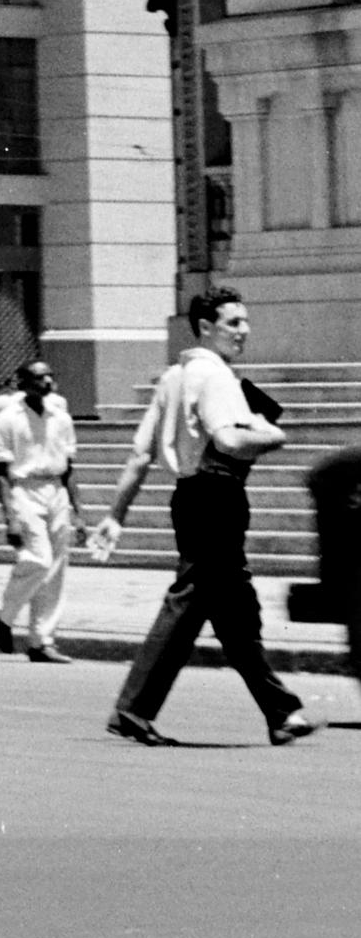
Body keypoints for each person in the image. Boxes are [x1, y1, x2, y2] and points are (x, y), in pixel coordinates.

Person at [96, 290, 312, 749]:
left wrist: (116, 514)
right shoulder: (214, 377)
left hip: (189, 498)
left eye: (245, 321)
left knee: (232, 611)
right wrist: (273, 435)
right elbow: (231, 441)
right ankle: (132, 708)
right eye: (233, 322)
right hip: (217, 496)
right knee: (192, 598)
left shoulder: (173, 377)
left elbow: (139, 454)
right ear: (205, 327)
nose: (243, 330)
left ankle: (280, 712)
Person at [0, 357, 81, 661]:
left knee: (55, 569)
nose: (47, 382)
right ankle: (5, 617)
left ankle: (41, 641)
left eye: (50, 376)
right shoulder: (9, 417)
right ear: (23, 383)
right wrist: (9, 516)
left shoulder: (61, 417)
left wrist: (78, 509)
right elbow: (1, 469)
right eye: (39, 378)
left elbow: (69, 467)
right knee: (38, 559)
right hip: (24, 489)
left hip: (56, 489)